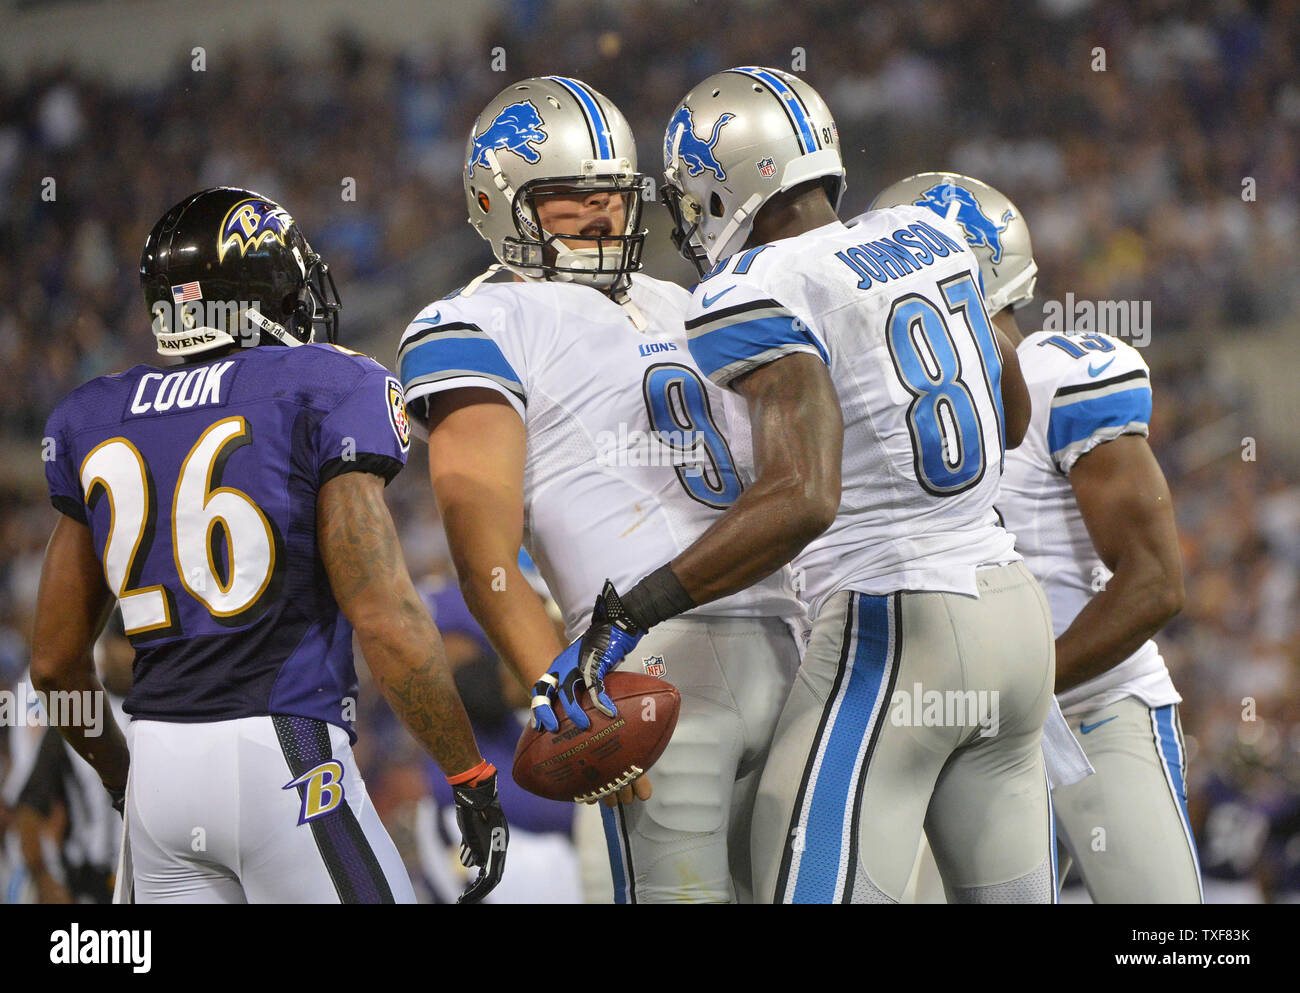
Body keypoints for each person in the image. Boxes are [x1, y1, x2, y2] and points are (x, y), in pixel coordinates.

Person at [545, 66, 1057, 904]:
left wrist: (628, 611)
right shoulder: (925, 233)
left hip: (898, 623)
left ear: (722, 184)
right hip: (1013, 615)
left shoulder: (755, 285)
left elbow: (805, 494)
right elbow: (1005, 416)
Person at [30, 187, 506, 904]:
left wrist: (123, 775)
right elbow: (383, 615)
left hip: (158, 768)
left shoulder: (93, 413)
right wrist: (468, 773)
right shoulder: (326, 385)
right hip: (285, 752)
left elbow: (54, 662)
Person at [397, 77, 803, 903]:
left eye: (611, 198)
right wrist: (564, 695)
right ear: (495, 202)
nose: (599, 217)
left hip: (789, 637)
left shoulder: (688, 301)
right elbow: (484, 557)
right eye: (567, 200)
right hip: (643, 662)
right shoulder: (474, 322)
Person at [871, 171, 1201, 902]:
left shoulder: (1062, 377)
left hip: (1092, 708)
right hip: (956, 726)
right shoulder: (874, 404)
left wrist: (1023, 682)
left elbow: (1155, 583)